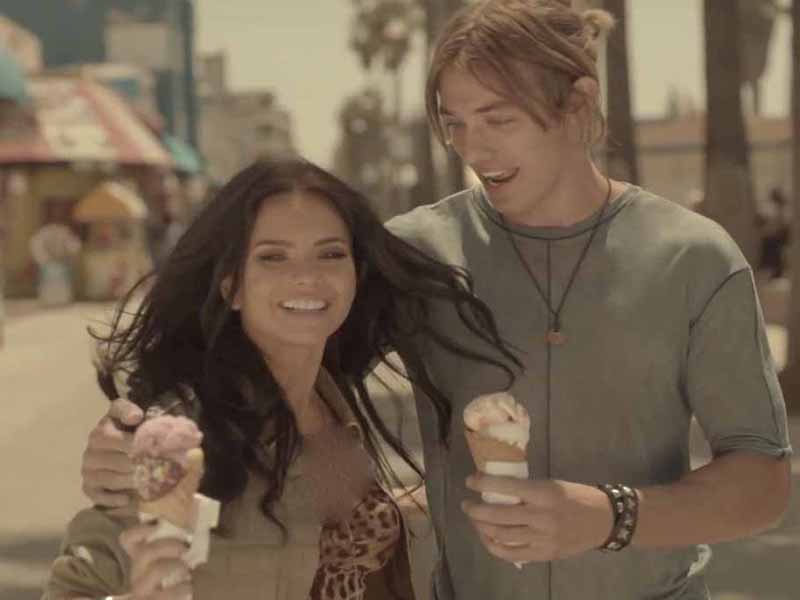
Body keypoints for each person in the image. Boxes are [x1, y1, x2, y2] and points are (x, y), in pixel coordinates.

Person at [78, 1, 792, 599]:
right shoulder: (415, 252)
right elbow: (270, 358)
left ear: (578, 104)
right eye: (455, 124)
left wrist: (609, 515)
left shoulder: (695, 259)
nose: (474, 149)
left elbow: (763, 482)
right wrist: (140, 430)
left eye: (499, 119)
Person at [43, 157, 519, 600]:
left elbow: (326, 533)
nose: (306, 276)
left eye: (330, 253)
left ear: (355, 275)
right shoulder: (180, 433)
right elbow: (74, 588)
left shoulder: (330, 403)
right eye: (273, 257)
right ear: (231, 285)